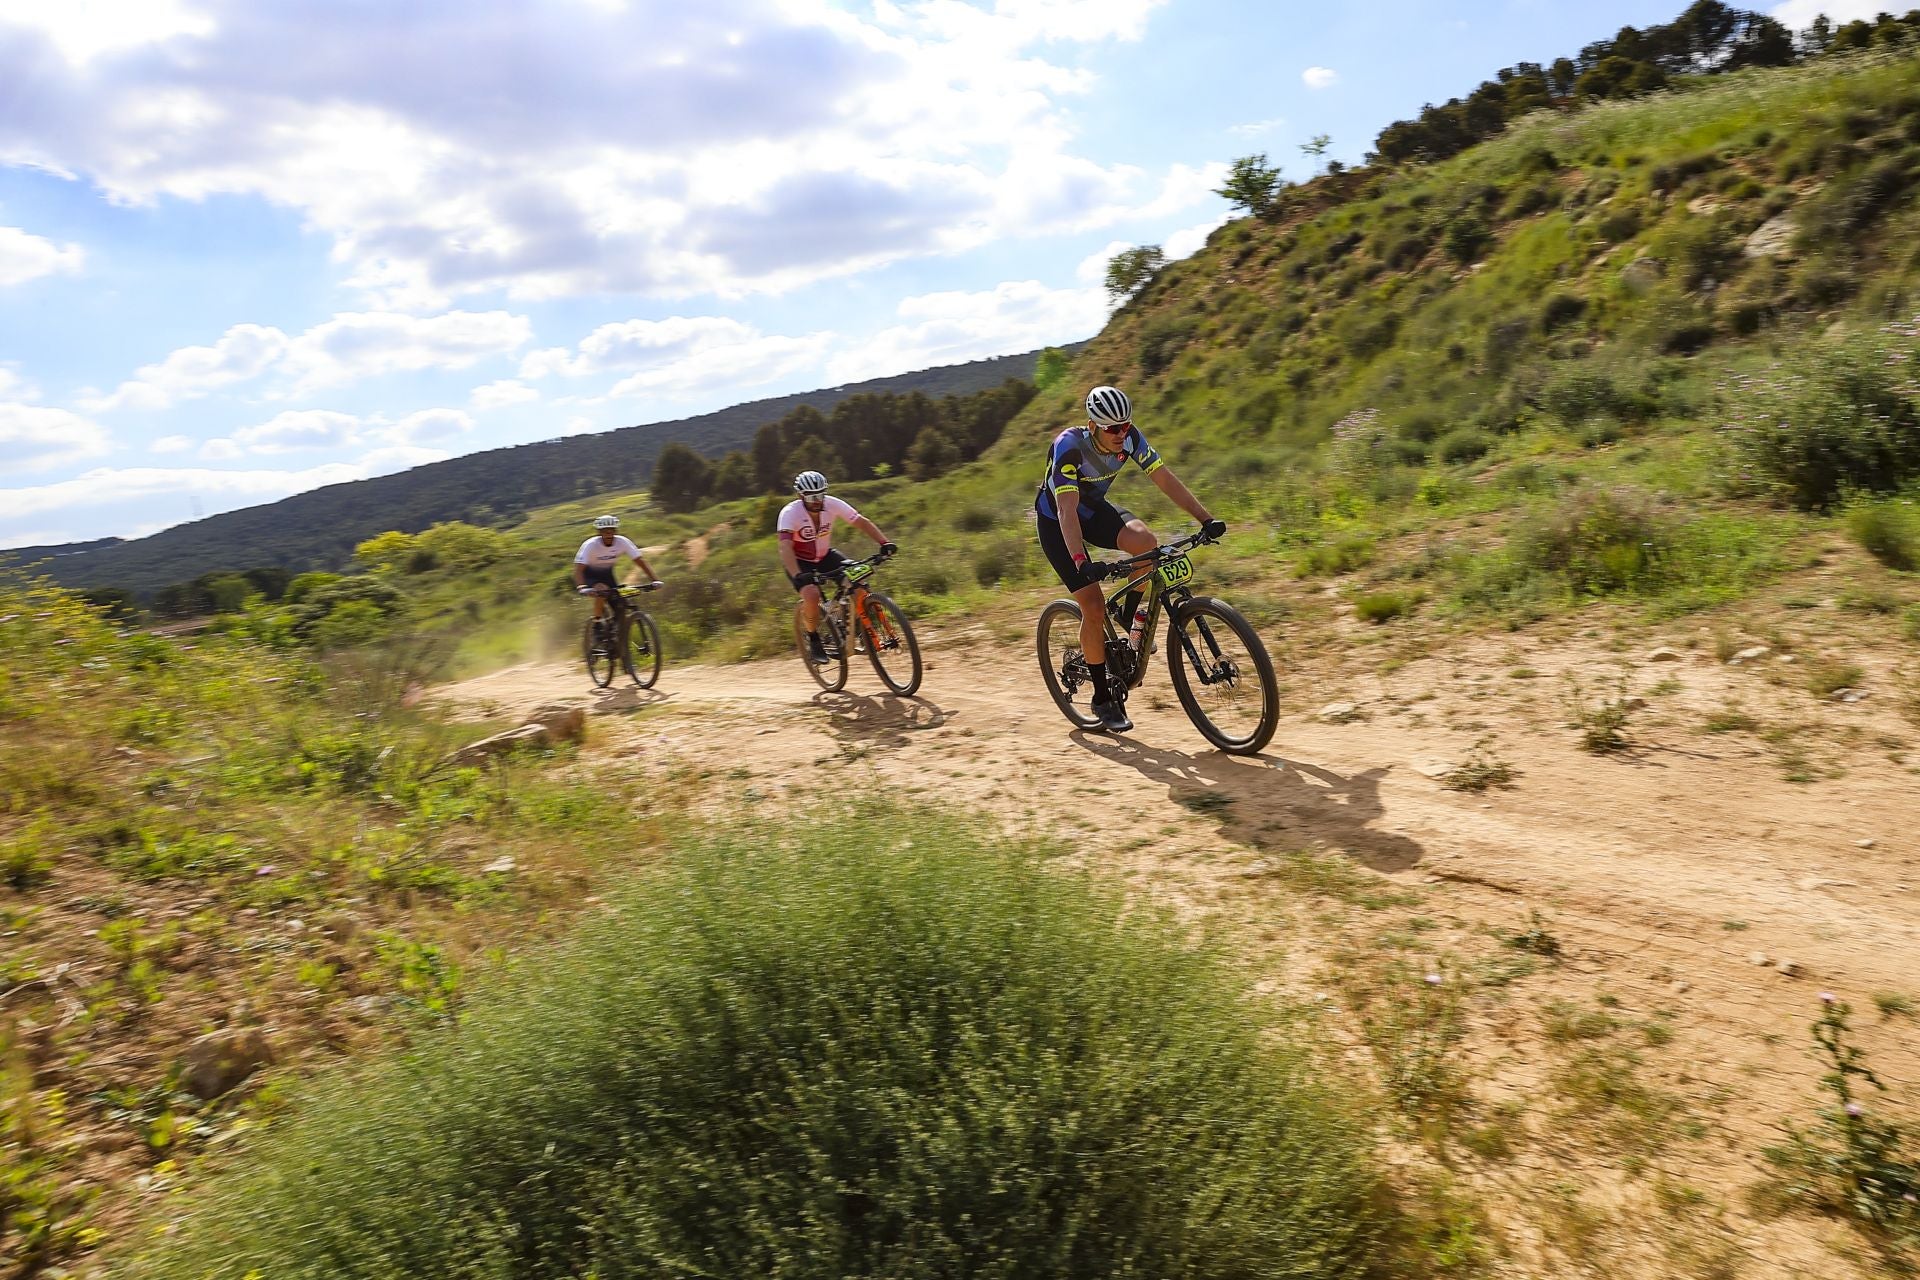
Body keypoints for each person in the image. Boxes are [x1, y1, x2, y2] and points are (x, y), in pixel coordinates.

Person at [1035, 385, 1225, 733]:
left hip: (1093, 511)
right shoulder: (1069, 446)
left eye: (1126, 425)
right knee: (1092, 607)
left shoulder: (1129, 437)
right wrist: (1081, 560)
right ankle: (1103, 699)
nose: (1122, 434)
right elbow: (1066, 510)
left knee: (1147, 543)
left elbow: (1165, 479)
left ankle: (1127, 611)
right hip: (1059, 523)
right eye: (1113, 428)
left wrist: (1206, 519)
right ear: (1093, 426)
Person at [778, 470, 896, 661]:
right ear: (801, 496)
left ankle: (859, 630)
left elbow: (861, 522)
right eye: (812, 497)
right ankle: (814, 638)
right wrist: (798, 574)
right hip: (799, 561)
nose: (817, 500)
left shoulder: (832, 504)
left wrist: (884, 543)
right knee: (811, 594)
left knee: (859, 581)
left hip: (824, 555)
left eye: (821, 495)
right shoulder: (790, 513)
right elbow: (785, 547)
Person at [572, 514, 662, 622]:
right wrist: (582, 587)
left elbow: (640, 561)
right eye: (605, 531)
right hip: (589, 575)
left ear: (616, 531)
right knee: (602, 590)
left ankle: (618, 631)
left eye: (612, 530)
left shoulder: (622, 542)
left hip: (608, 575)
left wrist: (655, 580)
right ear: (599, 532)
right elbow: (579, 569)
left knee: (620, 606)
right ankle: (596, 624)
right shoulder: (590, 545)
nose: (609, 534)